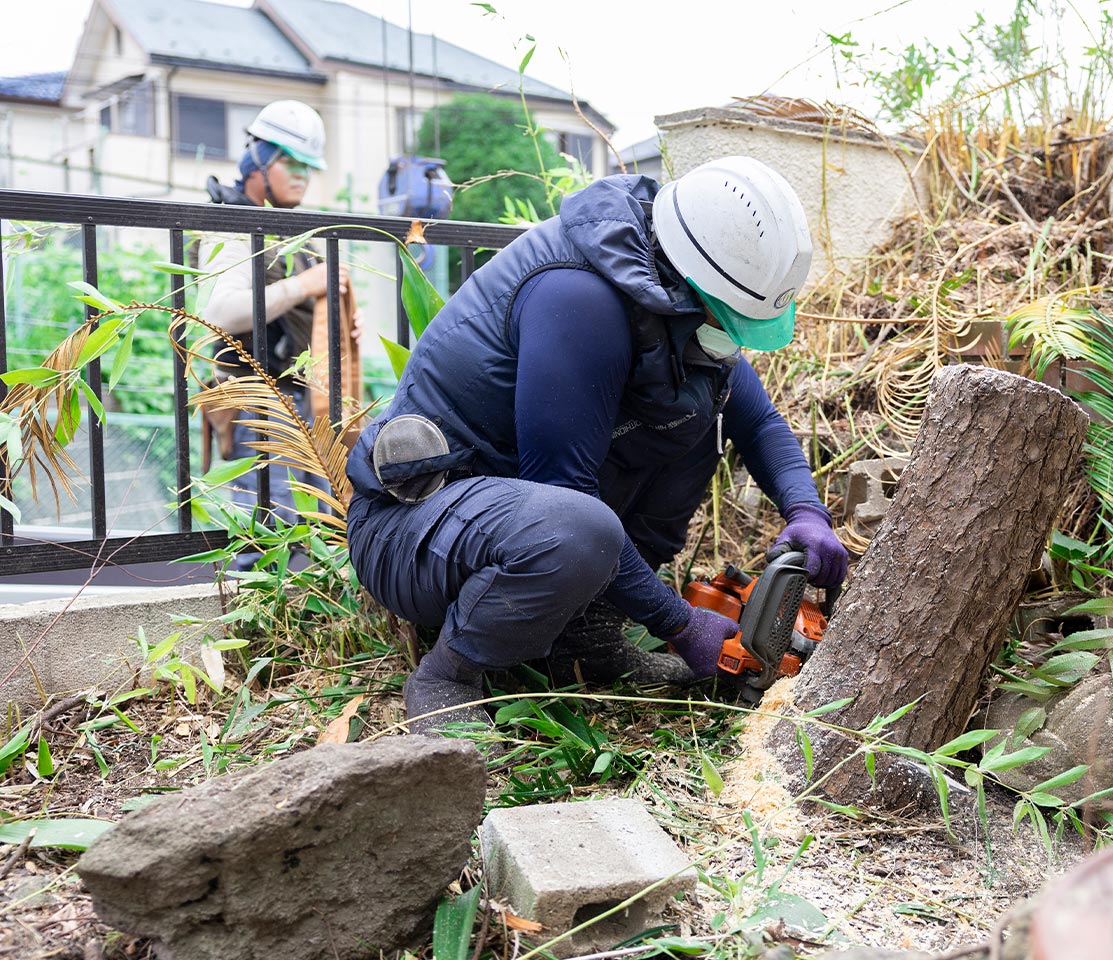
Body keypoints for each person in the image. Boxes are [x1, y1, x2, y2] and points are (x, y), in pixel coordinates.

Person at [345, 156, 849, 734]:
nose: (733, 335)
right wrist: (680, 624)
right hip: (414, 534)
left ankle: (587, 637)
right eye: (728, 316)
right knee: (579, 528)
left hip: (516, 521)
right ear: (690, 279)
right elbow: (567, 497)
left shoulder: (667, 301)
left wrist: (807, 513)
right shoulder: (578, 299)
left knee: (699, 418)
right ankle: (449, 676)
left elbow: (757, 423)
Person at [198, 100, 351, 565]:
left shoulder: (285, 229)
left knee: (321, 524)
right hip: (258, 402)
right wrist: (302, 285)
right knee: (269, 535)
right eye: (290, 161)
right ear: (257, 159)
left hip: (300, 399)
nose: (302, 175)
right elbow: (218, 311)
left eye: (308, 166)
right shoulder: (233, 223)